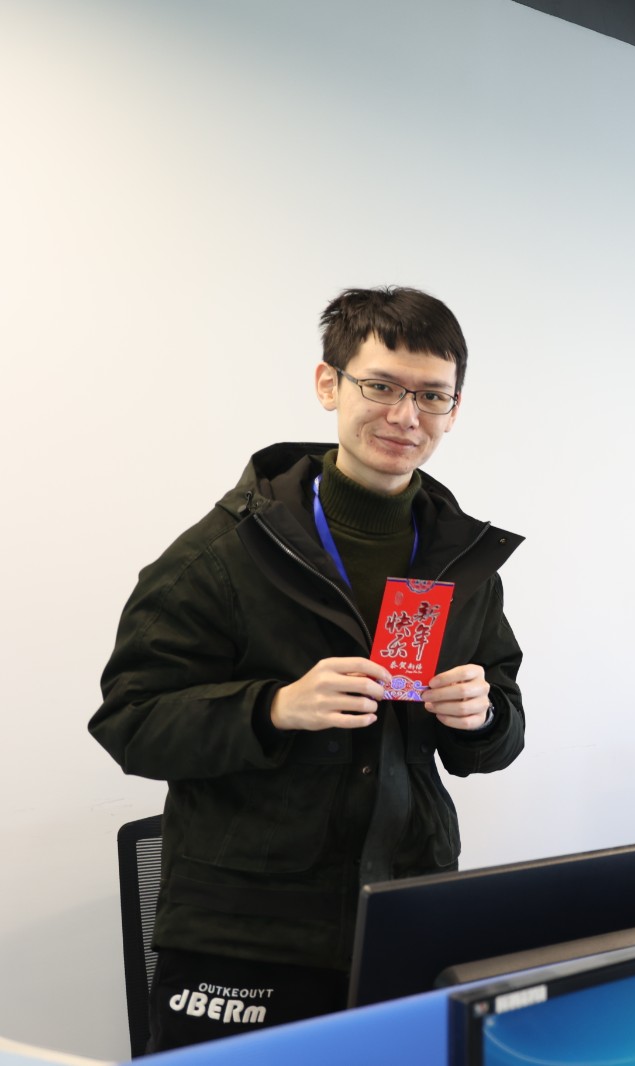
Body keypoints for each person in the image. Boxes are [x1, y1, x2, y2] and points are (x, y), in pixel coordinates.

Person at [89, 287, 525, 1051]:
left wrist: (482, 717)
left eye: (431, 395)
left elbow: (498, 730)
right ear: (329, 384)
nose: (406, 415)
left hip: (408, 907)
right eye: (381, 386)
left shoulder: (459, 560)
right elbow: (130, 720)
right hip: (247, 930)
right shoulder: (225, 551)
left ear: (454, 409)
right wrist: (274, 708)